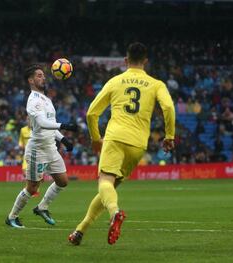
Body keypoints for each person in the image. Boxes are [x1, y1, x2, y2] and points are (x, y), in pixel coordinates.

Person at [68, 42, 175, 246]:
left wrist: (95, 139)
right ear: (145, 61)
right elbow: (168, 107)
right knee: (109, 188)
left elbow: (92, 112)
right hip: (138, 144)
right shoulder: (156, 84)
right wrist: (169, 136)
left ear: (125, 61)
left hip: (115, 137)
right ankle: (80, 231)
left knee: (105, 183)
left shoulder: (115, 81)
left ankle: (115, 213)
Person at [6, 64, 77, 228]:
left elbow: (50, 124)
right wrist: (64, 125)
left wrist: (63, 139)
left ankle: (42, 207)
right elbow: (42, 123)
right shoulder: (33, 100)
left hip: (51, 148)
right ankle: (12, 217)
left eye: (43, 75)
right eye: (39, 75)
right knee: (32, 187)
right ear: (31, 80)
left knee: (63, 181)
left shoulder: (47, 100)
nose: (43, 77)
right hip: (38, 149)